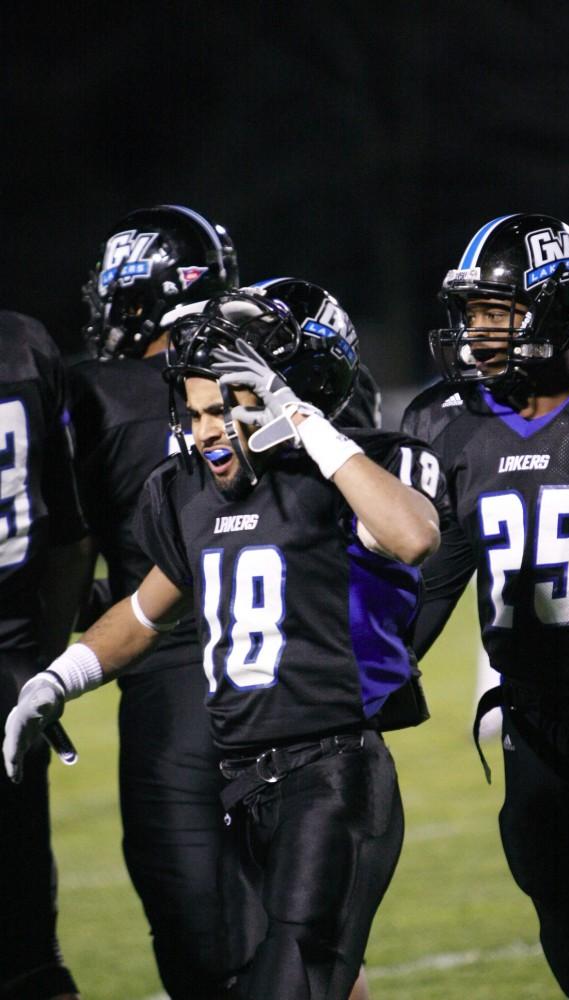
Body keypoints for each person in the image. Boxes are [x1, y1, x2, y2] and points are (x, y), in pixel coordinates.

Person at [21, 285, 446, 999]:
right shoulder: (189, 494)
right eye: (191, 413)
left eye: (222, 408)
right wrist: (57, 678)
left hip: (331, 777)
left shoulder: (350, 472)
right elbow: (142, 614)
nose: (204, 432)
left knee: (293, 977)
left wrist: (306, 424)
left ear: (287, 391)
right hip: (243, 787)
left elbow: (414, 536)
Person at [72, 206, 381, 1000]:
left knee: (213, 949)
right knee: (311, 950)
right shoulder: (291, 375)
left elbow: (73, 554)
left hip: (188, 690)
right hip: (295, 677)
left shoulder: (100, 393)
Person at [403, 212, 569, 1000]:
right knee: (568, 927)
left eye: (495, 314)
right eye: (470, 316)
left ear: (553, 310)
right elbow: (425, 585)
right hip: (534, 728)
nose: (476, 335)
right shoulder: (447, 425)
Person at [0, 310, 90, 1000]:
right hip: (13, 672)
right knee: (28, 953)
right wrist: (43, 666)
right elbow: (68, 540)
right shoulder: (23, 345)